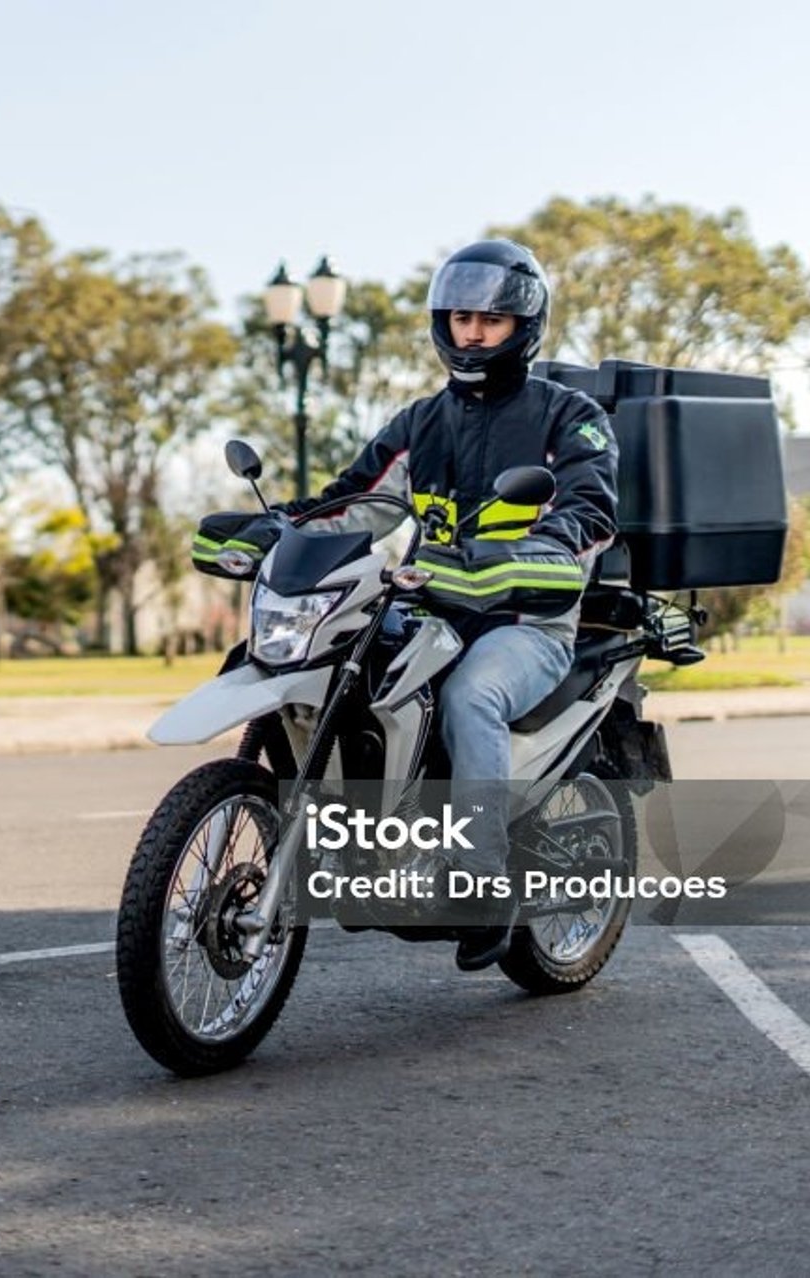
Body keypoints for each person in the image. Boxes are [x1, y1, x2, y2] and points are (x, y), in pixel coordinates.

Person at [275, 238, 620, 971]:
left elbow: (587, 515)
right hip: (431, 606)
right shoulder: (420, 422)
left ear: (523, 327)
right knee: (339, 673)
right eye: (460, 318)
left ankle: (483, 880)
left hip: (526, 620)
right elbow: (354, 502)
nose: (471, 334)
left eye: (488, 322)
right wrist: (275, 527)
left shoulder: (569, 417)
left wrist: (526, 560)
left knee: (470, 697)